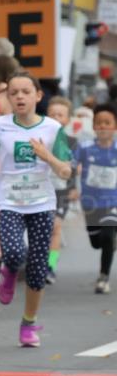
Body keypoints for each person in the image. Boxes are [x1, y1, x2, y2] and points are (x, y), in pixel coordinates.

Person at [0, 72, 73, 347]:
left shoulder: (52, 129)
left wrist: (47, 156)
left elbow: (65, 170)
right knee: (14, 252)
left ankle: (28, 323)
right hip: (10, 202)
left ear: (38, 96)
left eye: (26, 92)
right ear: (8, 98)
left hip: (42, 203)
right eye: (13, 93)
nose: (20, 97)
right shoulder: (0, 126)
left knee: (38, 269)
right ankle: (9, 270)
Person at [72, 103, 117, 294]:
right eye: (99, 122)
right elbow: (70, 167)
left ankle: (103, 277)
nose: (103, 126)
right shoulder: (84, 147)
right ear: (93, 126)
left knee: (107, 235)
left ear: (115, 126)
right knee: (96, 242)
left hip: (113, 202)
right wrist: (72, 188)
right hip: (90, 203)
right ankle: (111, 241)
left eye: (107, 122)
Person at [44, 97, 79, 284]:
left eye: (60, 115)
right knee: (41, 229)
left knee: (55, 227)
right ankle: (37, 263)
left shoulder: (72, 142)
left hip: (62, 192)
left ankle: (50, 266)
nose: (56, 118)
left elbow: (76, 168)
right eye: (52, 114)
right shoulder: (39, 139)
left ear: (68, 119)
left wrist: (74, 188)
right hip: (41, 188)